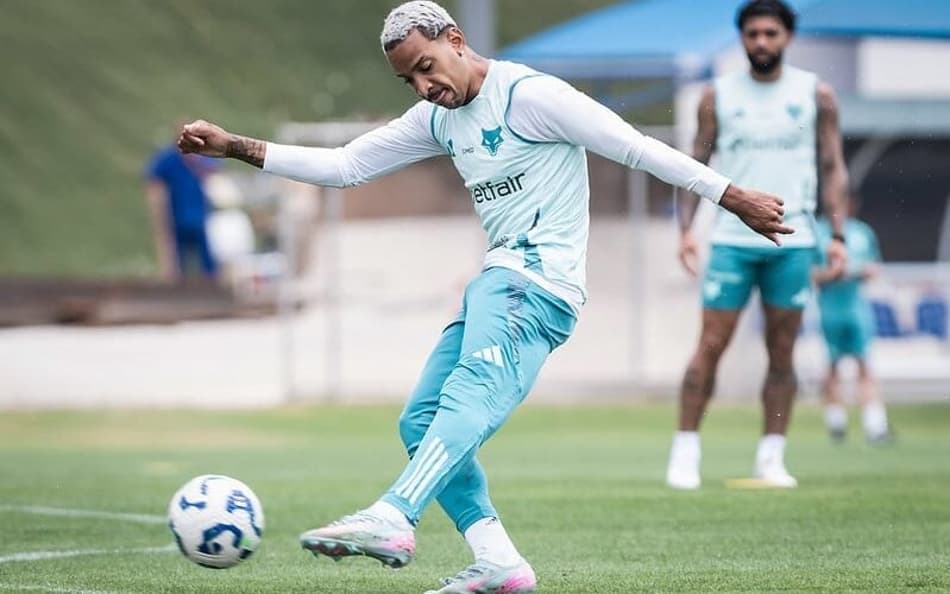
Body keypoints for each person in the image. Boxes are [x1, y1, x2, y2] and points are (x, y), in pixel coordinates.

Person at [177, 2, 790, 591]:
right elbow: (345, 165)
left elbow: (635, 146)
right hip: (496, 282)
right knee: (419, 421)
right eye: (407, 78)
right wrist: (236, 147)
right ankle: (497, 561)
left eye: (426, 66)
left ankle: (396, 514)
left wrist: (731, 196)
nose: (422, 85)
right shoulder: (438, 117)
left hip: (538, 284)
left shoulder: (532, 97)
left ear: (456, 41)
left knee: (467, 395)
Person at [666, 0, 848, 490]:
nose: (761, 42)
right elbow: (696, 167)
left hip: (796, 241)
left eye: (770, 33)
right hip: (729, 241)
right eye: (752, 34)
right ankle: (685, 453)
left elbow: (832, 168)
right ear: (741, 38)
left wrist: (838, 236)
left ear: (786, 37)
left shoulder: (816, 94)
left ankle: (772, 457)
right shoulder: (717, 95)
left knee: (782, 351)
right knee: (710, 346)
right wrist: (686, 231)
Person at [813, 201, 891, 444]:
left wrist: (859, 271)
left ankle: (875, 427)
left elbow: (874, 267)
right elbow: (812, 274)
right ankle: (836, 424)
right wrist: (833, 274)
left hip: (857, 309)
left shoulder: (861, 231)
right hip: (830, 311)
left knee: (865, 365)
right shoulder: (818, 232)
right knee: (832, 368)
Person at [145, 135, 219, 280]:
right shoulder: (168, 160)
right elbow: (154, 182)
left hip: (202, 219)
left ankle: (211, 287)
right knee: (176, 264)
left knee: (209, 264)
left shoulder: (202, 159)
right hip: (177, 219)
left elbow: (214, 175)